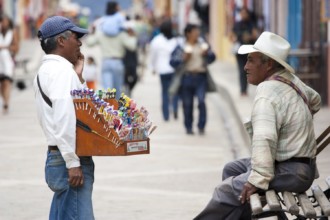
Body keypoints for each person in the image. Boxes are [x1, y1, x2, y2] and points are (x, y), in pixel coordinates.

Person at [193, 31, 321, 219]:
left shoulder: (267, 92)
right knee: (231, 169)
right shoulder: (290, 79)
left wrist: (257, 179)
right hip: (299, 168)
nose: (245, 67)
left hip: (291, 172)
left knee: (225, 191)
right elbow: (315, 100)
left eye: (251, 61)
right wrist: (294, 125)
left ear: (268, 64)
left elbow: (265, 138)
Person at [33, 16, 95, 219]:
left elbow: (79, 108)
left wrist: (78, 76)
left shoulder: (49, 70)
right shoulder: (61, 72)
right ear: (61, 41)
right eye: (76, 37)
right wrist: (72, 162)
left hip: (59, 156)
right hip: (68, 157)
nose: (79, 42)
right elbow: (64, 118)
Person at [86, 3, 137, 100]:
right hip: (118, 62)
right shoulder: (121, 33)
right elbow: (132, 46)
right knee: (117, 92)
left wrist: (92, 32)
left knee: (108, 92)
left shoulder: (101, 32)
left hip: (106, 62)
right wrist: (132, 35)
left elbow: (89, 43)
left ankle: (108, 112)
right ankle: (116, 112)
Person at [180, 24, 215, 135]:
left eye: (198, 31)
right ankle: (189, 127)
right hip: (187, 77)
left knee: (201, 101)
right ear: (188, 33)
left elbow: (213, 57)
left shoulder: (202, 45)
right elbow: (173, 62)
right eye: (195, 31)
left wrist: (206, 54)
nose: (197, 33)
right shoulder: (181, 46)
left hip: (200, 77)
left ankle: (201, 125)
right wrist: (184, 58)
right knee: (187, 103)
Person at [149, 19, 179, 121]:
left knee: (165, 92)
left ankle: (166, 115)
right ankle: (175, 107)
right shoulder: (175, 41)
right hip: (174, 69)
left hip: (162, 70)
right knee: (174, 90)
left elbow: (153, 55)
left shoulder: (156, 40)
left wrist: (152, 67)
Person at [230, 7, 259, 96]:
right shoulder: (237, 24)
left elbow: (255, 35)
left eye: (245, 13)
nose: (243, 15)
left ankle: (246, 88)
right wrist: (235, 39)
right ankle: (243, 90)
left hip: (250, 51)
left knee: (249, 70)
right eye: (242, 13)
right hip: (239, 51)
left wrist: (249, 37)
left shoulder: (252, 24)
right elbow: (232, 36)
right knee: (241, 70)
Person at [0, 14, 15, 114]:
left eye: (6, 22)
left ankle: (6, 102)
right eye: (2, 22)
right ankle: (4, 100)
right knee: (1, 84)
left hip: (8, 61)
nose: (4, 24)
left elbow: (16, 47)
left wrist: (5, 48)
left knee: (7, 82)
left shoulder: (12, 33)